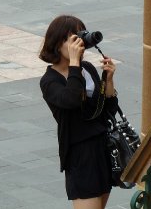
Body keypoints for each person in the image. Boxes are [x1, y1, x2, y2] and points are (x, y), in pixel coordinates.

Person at [39, 15, 118, 209]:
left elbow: (107, 111)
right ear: (56, 43)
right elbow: (72, 100)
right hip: (80, 155)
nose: (77, 43)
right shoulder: (50, 81)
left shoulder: (87, 68)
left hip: (102, 150)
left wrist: (108, 82)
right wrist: (74, 64)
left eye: (79, 36)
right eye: (69, 38)